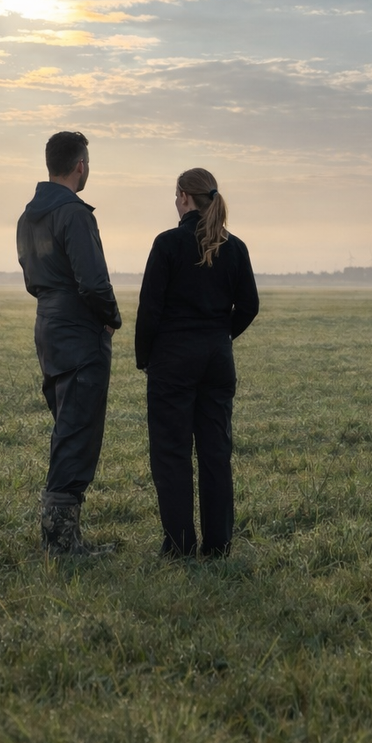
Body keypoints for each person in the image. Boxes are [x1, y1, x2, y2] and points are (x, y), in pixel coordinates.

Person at [135, 168, 259, 559]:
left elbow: (149, 309)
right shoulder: (235, 247)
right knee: (215, 452)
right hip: (217, 361)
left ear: (185, 197)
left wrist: (146, 358)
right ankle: (219, 544)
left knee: (171, 453)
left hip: (173, 361)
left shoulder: (168, 244)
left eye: (176, 197)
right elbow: (249, 306)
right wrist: (221, 337)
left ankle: (179, 544)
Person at [17, 131, 121, 555]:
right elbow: (93, 280)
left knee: (66, 427)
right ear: (81, 165)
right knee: (78, 433)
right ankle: (60, 542)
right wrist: (111, 318)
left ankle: (62, 535)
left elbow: (31, 277)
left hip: (48, 326)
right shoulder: (74, 214)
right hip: (79, 330)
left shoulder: (28, 216)